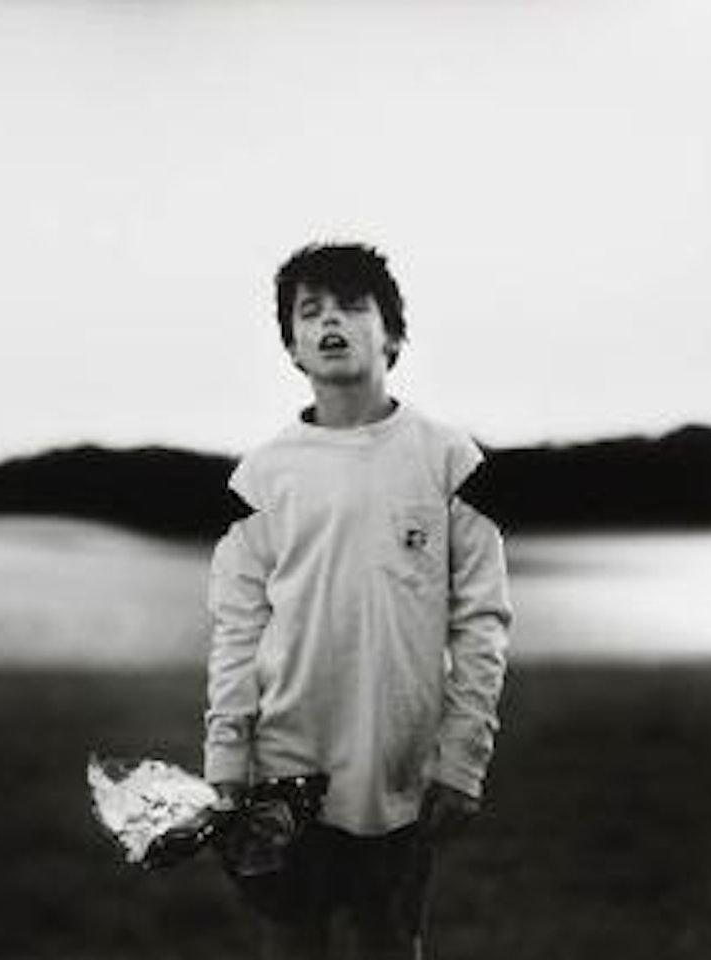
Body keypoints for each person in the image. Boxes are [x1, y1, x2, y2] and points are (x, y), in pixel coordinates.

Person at [203, 242, 512, 959]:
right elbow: (237, 626)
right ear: (291, 347)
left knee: (387, 938)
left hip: (399, 768)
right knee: (292, 938)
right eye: (310, 312)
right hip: (282, 763)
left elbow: (482, 622)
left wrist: (463, 757)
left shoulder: (449, 460)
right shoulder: (262, 477)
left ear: (393, 335)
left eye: (351, 306)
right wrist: (226, 754)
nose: (329, 322)